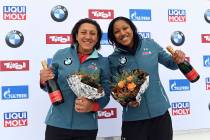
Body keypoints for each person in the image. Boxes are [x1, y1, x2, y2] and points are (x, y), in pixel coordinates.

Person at [107, 16, 186, 140]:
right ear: (113, 37)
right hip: (133, 119)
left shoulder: (150, 44)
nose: (122, 33)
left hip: (160, 114)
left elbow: (171, 64)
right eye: (116, 32)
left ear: (132, 28)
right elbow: (114, 89)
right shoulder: (113, 59)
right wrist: (125, 100)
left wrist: (178, 60)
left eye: (125, 28)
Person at [40, 18, 111, 140]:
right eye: (83, 32)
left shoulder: (103, 62)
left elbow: (106, 94)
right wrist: (43, 80)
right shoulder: (61, 54)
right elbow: (50, 86)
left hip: (86, 127)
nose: (88, 37)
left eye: (93, 33)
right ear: (76, 35)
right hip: (57, 124)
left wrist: (92, 107)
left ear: (98, 38)